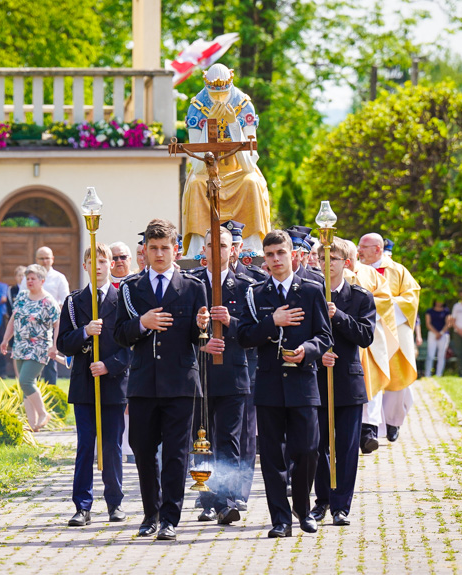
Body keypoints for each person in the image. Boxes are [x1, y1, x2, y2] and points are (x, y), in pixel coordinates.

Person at [114, 219, 208, 542]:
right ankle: (150, 512)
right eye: (152, 248)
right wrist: (142, 323)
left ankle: (169, 517)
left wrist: (201, 325)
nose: (158, 254)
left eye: (164, 248)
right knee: (142, 448)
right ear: (144, 250)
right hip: (143, 383)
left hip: (180, 383)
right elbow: (119, 334)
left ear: (176, 250)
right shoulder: (131, 287)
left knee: (176, 454)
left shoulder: (194, 287)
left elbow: (200, 337)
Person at [237, 230, 333, 538]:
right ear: (264, 259)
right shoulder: (255, 293)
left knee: (307, 451)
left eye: (280, 253)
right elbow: (243, 336)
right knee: (273, 458)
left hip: (304, 384)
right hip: (269, 386)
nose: (275, 259)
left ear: (292, 254)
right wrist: (271, 322)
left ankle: (302, 509)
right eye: (269, 255)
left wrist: (308, 351)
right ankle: (280, 519)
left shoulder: (312, 290)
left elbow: (325, 336)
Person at [57, 244, 130, 526]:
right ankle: (82, 505)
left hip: (112, 385)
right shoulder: (74, 302)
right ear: (85, 266)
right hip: (85, 385)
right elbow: (63, 343)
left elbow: (131, 345)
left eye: (103, 261)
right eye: (92, 261)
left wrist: (109, 365)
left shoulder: (122, 300)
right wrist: (84, 332)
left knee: (111, 446)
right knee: (86, 445)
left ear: (110, 264)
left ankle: (115, 503)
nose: (97, 266)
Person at [312, 237, 375, 526]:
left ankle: (341, 506)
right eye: (322, 258)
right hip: (316, 381)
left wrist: (339, 316)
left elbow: (365, 335)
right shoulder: (309, 293)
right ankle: (322, 500)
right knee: (317, 445)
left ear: (345, 263)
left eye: (333, 259)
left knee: (347, 448)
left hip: (348, 383)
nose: (327, 264)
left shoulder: (360, 297)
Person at [192, 227, 252, 525]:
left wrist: (231, 321)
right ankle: (206, 498)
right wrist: (196, 325)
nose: (217, 251)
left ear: (234, 250)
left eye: (223, 245)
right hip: (199, 375)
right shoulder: (191, 284)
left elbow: (256, 331)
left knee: (228, 439)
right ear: (203, 251)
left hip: (232, 374)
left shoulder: (245, 284)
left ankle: (227, 500)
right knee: (202, 441)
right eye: (211, 246)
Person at [182, 64, 271, 256]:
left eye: (223, 93)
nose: (219, 99)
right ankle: (200, 248)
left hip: (239, 172)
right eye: (214, 95)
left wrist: (233, 123)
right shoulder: (196, 107)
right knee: (196, 186)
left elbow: (249, 166)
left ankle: (249, 246)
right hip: (207, 173)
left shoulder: (244, 105)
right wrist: (209, 125)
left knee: (252, 183)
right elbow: (197, 167)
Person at [356, 233, 420, 443]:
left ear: (377, 249)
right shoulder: (356, 270)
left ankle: (393, 421)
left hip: (393, 330)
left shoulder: (397, 270)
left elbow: (411, 298)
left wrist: (382, 305)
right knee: (369, 376)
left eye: (363, 247)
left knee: (398, 379)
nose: (359, 251)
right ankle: (368, 427)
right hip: (368, 331)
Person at [340, 239, 397, 454]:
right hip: (344, 335)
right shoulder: (336, 273)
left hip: (368, 335)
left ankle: (369, 430)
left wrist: (363, 306)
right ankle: (351, 431)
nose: (356, 258)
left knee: (373, 380)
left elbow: (385, 299)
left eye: (357, 254)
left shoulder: (372, 275)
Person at [221, 220, 262, 509]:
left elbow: (254, 328)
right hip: (210, 365)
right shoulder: (200, 279)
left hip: (244, 365)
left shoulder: (251, 282)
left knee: (245, 434)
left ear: (238, 248)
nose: (230, 251)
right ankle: (212, 492)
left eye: (233, 245)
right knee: (209, 432)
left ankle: (239, 491)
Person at [0, 264, 60, 431]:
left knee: (25, 380)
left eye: (33, 278)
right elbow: (14, 318)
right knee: (26, 384)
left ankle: (43, 413)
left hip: (39, 347)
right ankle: (32, 424)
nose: (29, 281)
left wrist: (55, 346)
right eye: (28, 278)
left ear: (42, 281)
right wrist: (6, 339)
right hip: (20, 345)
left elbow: (58, 325)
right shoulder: (22, 297)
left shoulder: (48, 301)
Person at [38, 246, 70, 386]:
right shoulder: (31, 276)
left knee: (50, 362)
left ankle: (51, 393)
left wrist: (58, 323)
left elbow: (65, 301)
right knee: (32, 363)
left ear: (52, 260)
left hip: (51, 324)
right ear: (36, 260)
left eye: (47, 258)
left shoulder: (59, 278)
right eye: (41, 258)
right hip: (33, 326)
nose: (44, 261)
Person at [424, 299, 451, 377]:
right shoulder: (429, 311)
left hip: (443, 335)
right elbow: (428, 323)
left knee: (441, 355)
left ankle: (439, 374)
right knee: (430, 355)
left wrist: (441, 333)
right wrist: (436, 333)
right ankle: (427, 374)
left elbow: (448, 323)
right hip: (432, 334)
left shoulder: (446, 311)